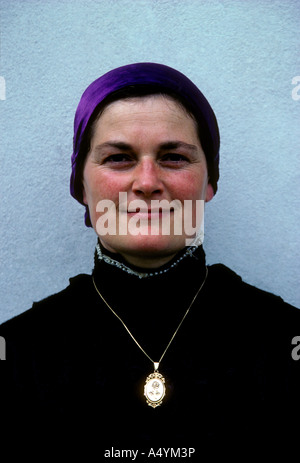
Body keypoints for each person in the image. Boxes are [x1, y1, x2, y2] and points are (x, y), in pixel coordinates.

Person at [1, 63, 299, 460]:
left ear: (209, 182)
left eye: (174, 157)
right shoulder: (17, 354)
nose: (146, 181)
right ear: (81, 187)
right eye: (119, 158)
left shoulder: (285, 342)